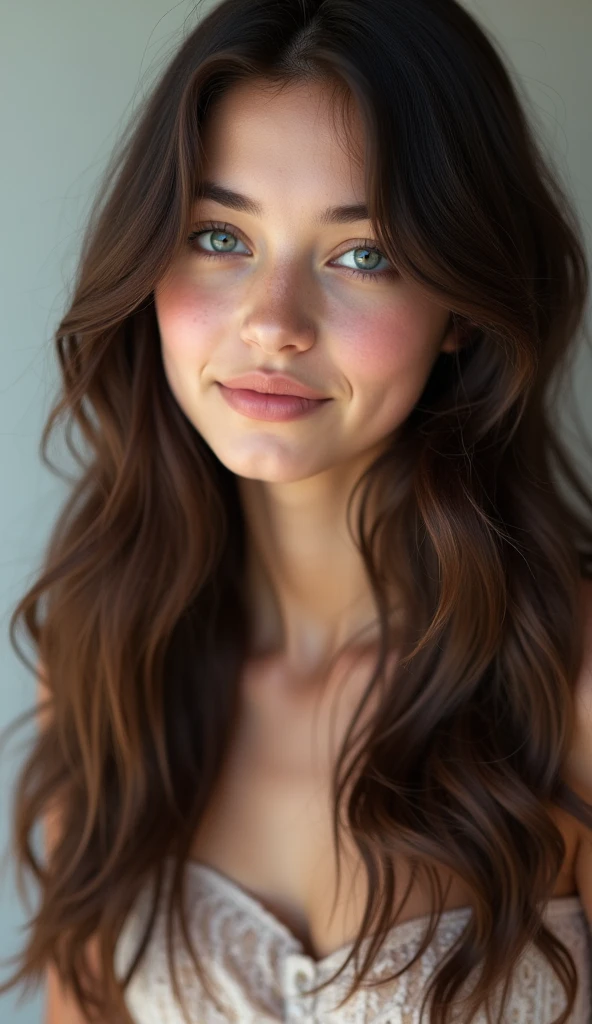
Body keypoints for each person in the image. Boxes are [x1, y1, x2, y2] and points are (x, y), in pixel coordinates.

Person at [1, 0, 592, 1021]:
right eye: (218, 235)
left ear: (461, 310)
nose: (273, 324)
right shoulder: (103, 650)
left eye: (363, 253)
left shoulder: (568, 682)